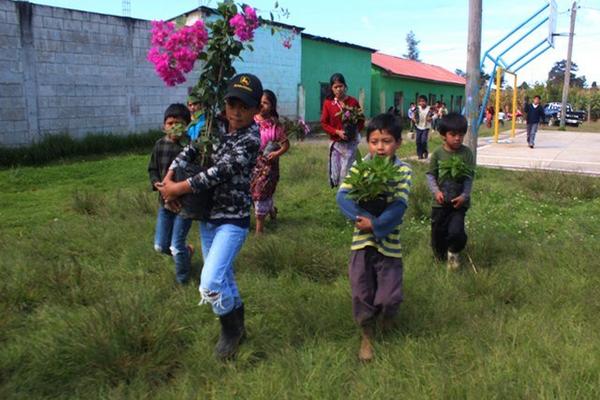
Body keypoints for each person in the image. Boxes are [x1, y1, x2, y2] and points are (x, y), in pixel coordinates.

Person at [157, 73, 262, 360]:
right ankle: (237, 327)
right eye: (232, 104)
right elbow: (189, 152)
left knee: (210, 283)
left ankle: (229, 331)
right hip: (207, 217)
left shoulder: (252, 139)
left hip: (233, 221)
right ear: (225, 103)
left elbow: (218, 173)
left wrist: (178, 188)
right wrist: (169, 175)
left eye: (245, 106)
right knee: (224, 277)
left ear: (256, 110)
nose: (237, 112)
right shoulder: (214, 128)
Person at [336, 113, 412, 362]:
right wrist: (363, 220)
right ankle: (367, 335)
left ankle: (387, 318)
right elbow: (343, 196)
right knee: (361, 291)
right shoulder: (360, 168)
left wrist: (377, 224)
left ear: (398, 143)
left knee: (390, 296)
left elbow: (399, 206)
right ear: (367, 142)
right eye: (375, 141)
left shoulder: (403, 171)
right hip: (361, 241)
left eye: (387, 141)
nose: (380, 147)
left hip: (389, 243)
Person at [148, 103, 194, 284]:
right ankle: (187, 252)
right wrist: (157, 185)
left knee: (176, 246)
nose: (174, 126)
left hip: (184, 205)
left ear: (187, 126)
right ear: (163, 125)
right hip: (165, 202)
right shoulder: (159, 145)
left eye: (179, 123)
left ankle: (183, 281)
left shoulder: (191, 146)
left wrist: (178, 193)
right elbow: (152, 169)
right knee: (160, 246)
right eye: (170, 123)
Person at [426, 112, 475, 271]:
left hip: (458, 203)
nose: (457, 138)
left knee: (456, 231)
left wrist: (464, 196)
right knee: (437, 234)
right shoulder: (438, 153)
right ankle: (439, 257)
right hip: (439, 203)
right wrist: (436, 192)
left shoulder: (466, 153)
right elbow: (431, 175)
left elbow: (469, 177)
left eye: (461, 134)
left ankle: (453, 253)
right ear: (443, 136)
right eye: (453, 134)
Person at [251, 89, 289, 234]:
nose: (262, 105)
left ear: (272, 106)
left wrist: (276, 153)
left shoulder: (275, 126)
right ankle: (271, 209)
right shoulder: (250, 121)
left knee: (260, 193)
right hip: (252, 164)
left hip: (268, 167)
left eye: (265, 103)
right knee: (253, 193)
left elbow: (286, 145)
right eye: (260, 102)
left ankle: (259, 231)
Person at [320, 72, 364, 188]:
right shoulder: (328, 104)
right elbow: (324, 123)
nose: (339, 89)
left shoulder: (353, 102)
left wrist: (354, 132)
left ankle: (345, 193)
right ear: (332, 88)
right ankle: (339, 190)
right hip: (336, 145)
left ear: (345, 86)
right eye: (335, 87)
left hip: (350, 144)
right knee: (335, 173)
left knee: (347, 173)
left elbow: (361, 120)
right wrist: (337, 132)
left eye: (341, 86)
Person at [412, 95, 432, 159]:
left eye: (423, 101)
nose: (422, 103)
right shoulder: (417, 108)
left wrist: (431, 118)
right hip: (418, 126)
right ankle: (419, 154)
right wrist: (414, 118)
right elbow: (413, 114)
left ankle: (425, 151)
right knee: (418, 141)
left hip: (426, 127)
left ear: (426, 102)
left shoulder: (429, 108)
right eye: (420, 101)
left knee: (423, 141)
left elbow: (435, 115)